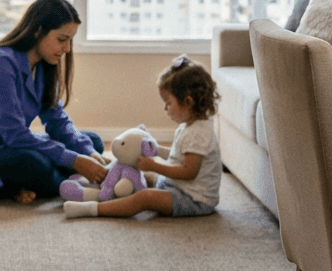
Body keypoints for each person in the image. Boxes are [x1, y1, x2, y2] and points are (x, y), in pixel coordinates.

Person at [0, 0, 109, 204]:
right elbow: (14, 134)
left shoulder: (45, 66)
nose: (67, 49)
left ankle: (30, 184)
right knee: (34, 164)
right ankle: (54, 181)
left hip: (8, 145)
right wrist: (74, 161)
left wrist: (87, 153)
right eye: (62, 40)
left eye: (70, 41)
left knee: (92, 142)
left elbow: (57, 121)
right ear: (38, 31)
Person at [63, 55, 222, 220]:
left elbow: (188, 172)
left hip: (194, 200)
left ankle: (93, 208)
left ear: (188, 102)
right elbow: (179, 156)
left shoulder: (199, 133)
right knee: (137, 175)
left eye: (168, 103)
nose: (165, 108)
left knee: (144, 198)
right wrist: (158, 151)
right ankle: (105, 189)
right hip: (178, 187)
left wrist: (154, 166)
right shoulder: (190, 126)